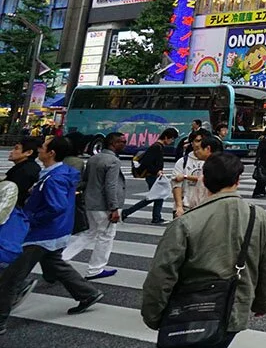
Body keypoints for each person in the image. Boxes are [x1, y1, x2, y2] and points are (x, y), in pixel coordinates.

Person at [141, 151, 266, 348]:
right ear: (238, 179)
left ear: (203, 179)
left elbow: (161, 275)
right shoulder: (257, 216)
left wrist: (154, 315)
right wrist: (262, 302)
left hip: (190, 317)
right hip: (233, 312)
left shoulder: (187, 222)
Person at [0, 138, 104, 335]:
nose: (40, 149)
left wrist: (30, 218)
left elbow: (55, 207)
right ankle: (88, 293)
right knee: (54, 264)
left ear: (52, 153)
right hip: (56, 231)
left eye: (44, 148)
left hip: (42, 233)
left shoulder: (54, 178)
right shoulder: (58, 173)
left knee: (10, 278)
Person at [63, 131, 127, 280]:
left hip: (90, 202)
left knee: (90, 232)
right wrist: (114, 208)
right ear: (113, 143)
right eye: (122, 142)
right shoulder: (113, 161)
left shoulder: (94, 158)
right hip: (103, 204)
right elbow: (110, 185)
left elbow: (85, 181)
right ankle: (95, 269)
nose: (125, 144)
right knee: (106, 235)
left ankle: (63, 257)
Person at [122, 127, 177, 222]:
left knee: (158, 196)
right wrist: (157, 171)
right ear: (166, 137)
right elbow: (146, 163)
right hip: (152, 176)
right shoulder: (156, 147)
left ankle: (156, 217)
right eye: (172, 139)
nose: (172, 141)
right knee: (154, 197)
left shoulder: (158, 146)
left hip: (154, 175)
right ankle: (127, 212)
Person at [173, 133, 218, 218]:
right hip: (186, 207)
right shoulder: (183, 161)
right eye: (197, 141)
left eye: (201, 141)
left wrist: (185, 176)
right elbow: (176, 185)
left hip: (204, 208)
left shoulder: (212, 163)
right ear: (191, 142)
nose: (199, 144)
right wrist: (179, 206)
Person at [6, 137, 43, 207]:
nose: (11, 151)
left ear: (28, 152)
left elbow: (11, 195)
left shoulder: (23, 172)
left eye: (16, 149)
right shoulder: (30, 167)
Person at [252, 126, 266, 198]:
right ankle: (257, 192)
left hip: (264, 160)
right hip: (265, 160)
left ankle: (262, 190)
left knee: (264, 176)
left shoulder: (264, 138)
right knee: (262, 177)